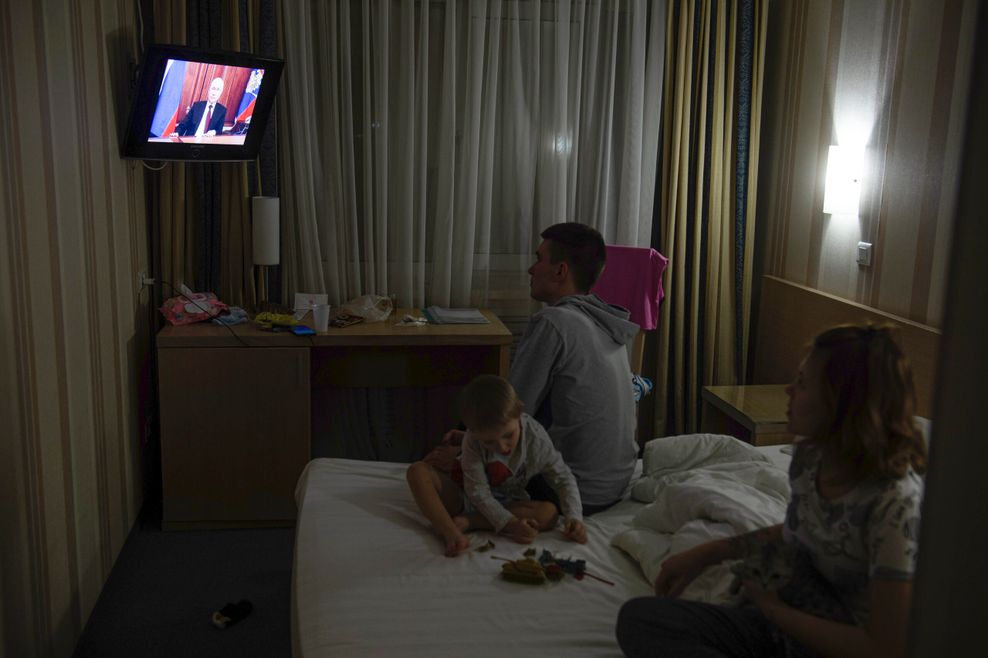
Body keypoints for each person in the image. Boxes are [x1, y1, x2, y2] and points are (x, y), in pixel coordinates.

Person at [615, 323, 927, 658]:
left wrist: (773, 611)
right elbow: (799, 531)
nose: (789, 391)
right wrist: (707, 554)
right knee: (640, 620)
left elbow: (885, 648)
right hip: (789, 617)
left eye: (804, 384)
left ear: (842, 403)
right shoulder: (810, 456)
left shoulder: (895, 505)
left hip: (835, 644)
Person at [406, 375, 588, 557]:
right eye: (489, 442)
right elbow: (477, 491)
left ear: (519, 414)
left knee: (549, 513)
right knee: (417, 471)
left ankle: (472, 521)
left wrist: (574, 517)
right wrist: (511, 525)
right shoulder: (471, 439)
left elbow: (562, 477)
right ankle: (450, 533)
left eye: (508, 435)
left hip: (509, 503)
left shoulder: (536, 439)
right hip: (465, 496)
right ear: (472, 431)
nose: (501, 447)